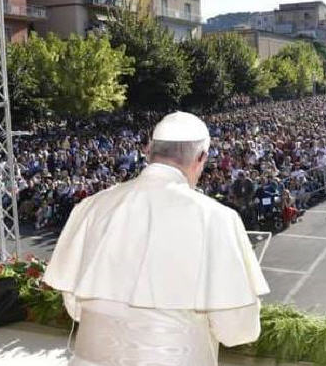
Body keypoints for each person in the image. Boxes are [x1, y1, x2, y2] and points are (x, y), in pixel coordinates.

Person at [43, 111, 270, 366]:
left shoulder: (92, 206)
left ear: (148, 150)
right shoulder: (217, 218)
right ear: (201, 158)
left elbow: (75, 307)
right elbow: (236, 328)